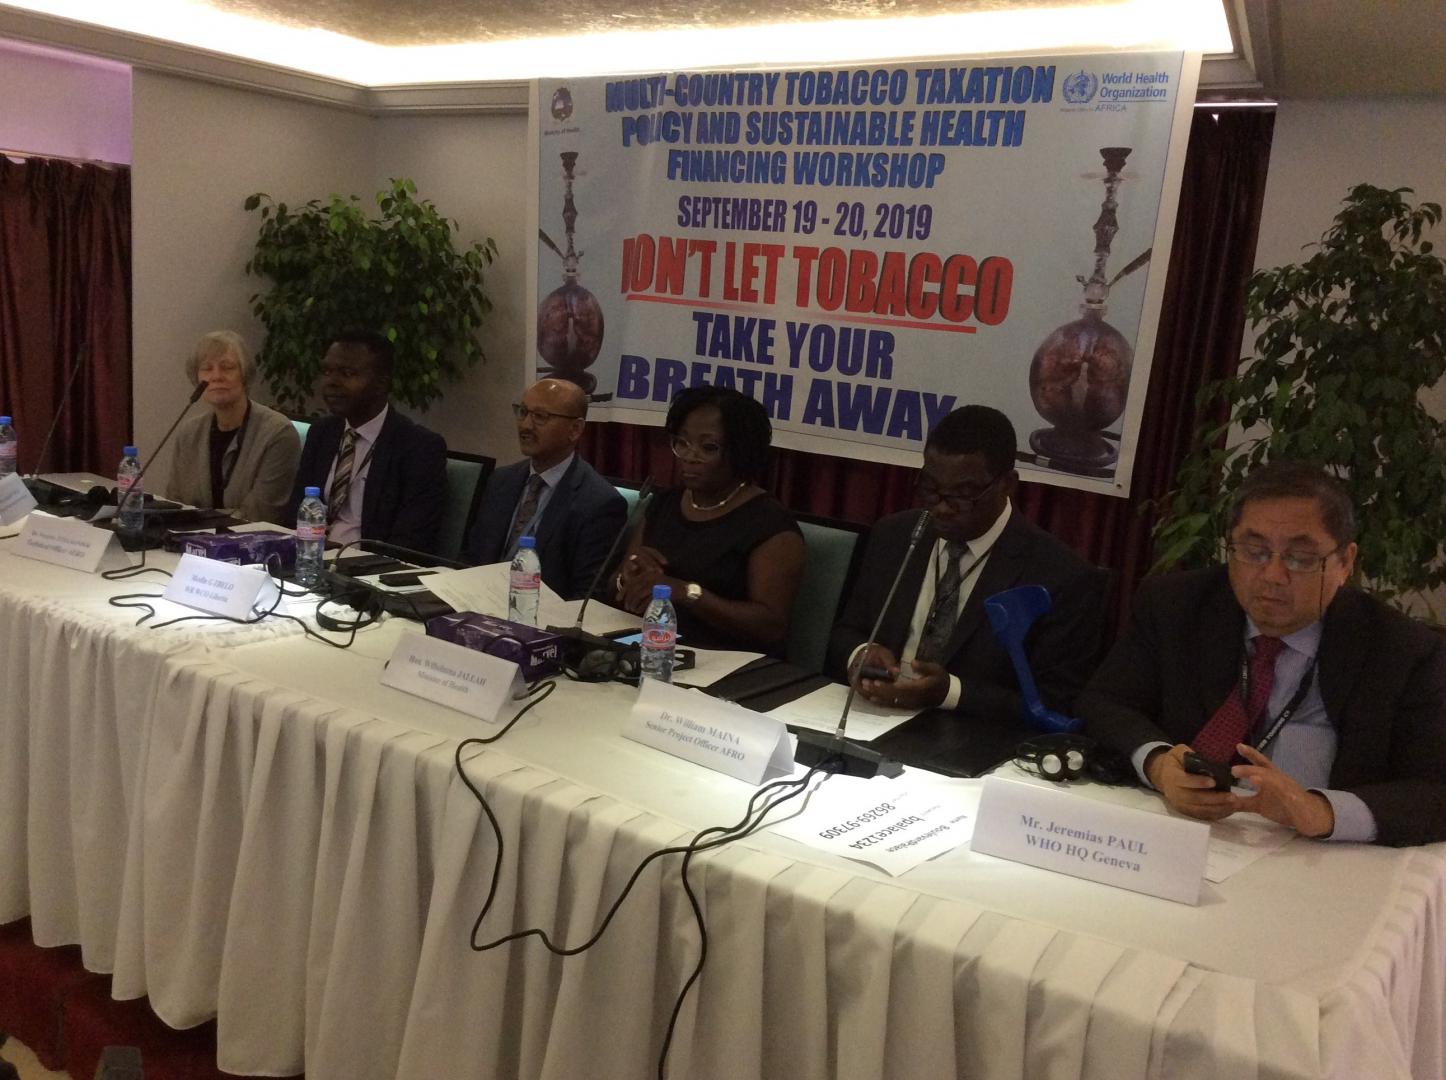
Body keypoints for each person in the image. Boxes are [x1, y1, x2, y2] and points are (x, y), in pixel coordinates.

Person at [1080, 461, 1446, 846]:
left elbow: (1434, 790)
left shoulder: (1403, 650)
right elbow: (1104, 702)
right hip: (1185, 835)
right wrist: (1158, 764)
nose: (1272, 575)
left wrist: (1322, 811)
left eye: (1300, 559)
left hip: (1321, 855)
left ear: (1345, 563)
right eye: (1254, 552)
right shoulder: (1176, 606)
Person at [826, 405, 1104, 724]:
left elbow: (1057, 701)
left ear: (1008, 484)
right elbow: (845, 631)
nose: (941, 508)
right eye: (930, 489)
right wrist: (862, 651)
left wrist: (949, 693)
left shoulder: (1061, 576)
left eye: (963, 494)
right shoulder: (895, 535)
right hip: (872, 718)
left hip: (973, 737)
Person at [615, 385, 804, 654]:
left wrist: (689, 593)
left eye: (708, 447)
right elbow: (616, 584)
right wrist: (629, 577)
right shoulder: (664, 503)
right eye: (682, 443)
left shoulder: (770, 525)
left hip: (727, 663)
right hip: (655, 646)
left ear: (741, 452)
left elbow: (771, 626)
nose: (690, 457)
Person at [286, 330, 447, 554]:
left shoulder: (418, 447)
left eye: (347, 373)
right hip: (310, 557)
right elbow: (295, 510)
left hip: (367, 569)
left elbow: (411, 541)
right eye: (327, 371)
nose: (332, 382)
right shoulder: (322, 433)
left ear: (381, 384)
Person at [465, 378, 627, 599]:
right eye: (523, 412)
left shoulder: (599, 503)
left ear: (575, 429)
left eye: (540, 417)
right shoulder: (501, 481)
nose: (525, 425)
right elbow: (471, 558)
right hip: (478, 604)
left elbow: (586, 597)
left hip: (541, 620)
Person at [165, 330, 300, 523]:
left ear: (244, 375)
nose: (216, 376)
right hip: (190, 543)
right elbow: (174, 505)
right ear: (197, 380)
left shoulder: (278, 433)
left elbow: (262, 514)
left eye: (227, 367)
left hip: (251, 545)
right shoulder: (188, 433)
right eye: (207, 369)